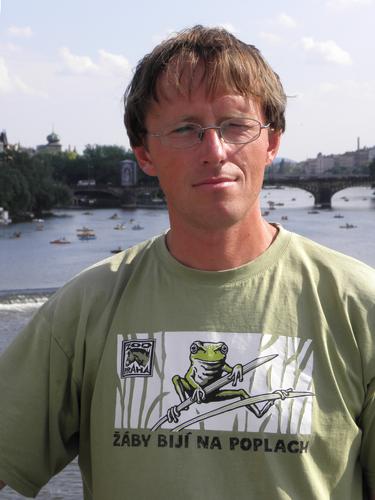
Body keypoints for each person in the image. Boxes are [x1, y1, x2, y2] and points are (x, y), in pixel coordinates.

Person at [0, 25, 374, 500]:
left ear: (272, 142)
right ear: (145, 154)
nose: (214, 151)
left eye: (236, 125)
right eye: (185, 130)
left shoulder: (360, 305)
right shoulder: (82, 309)